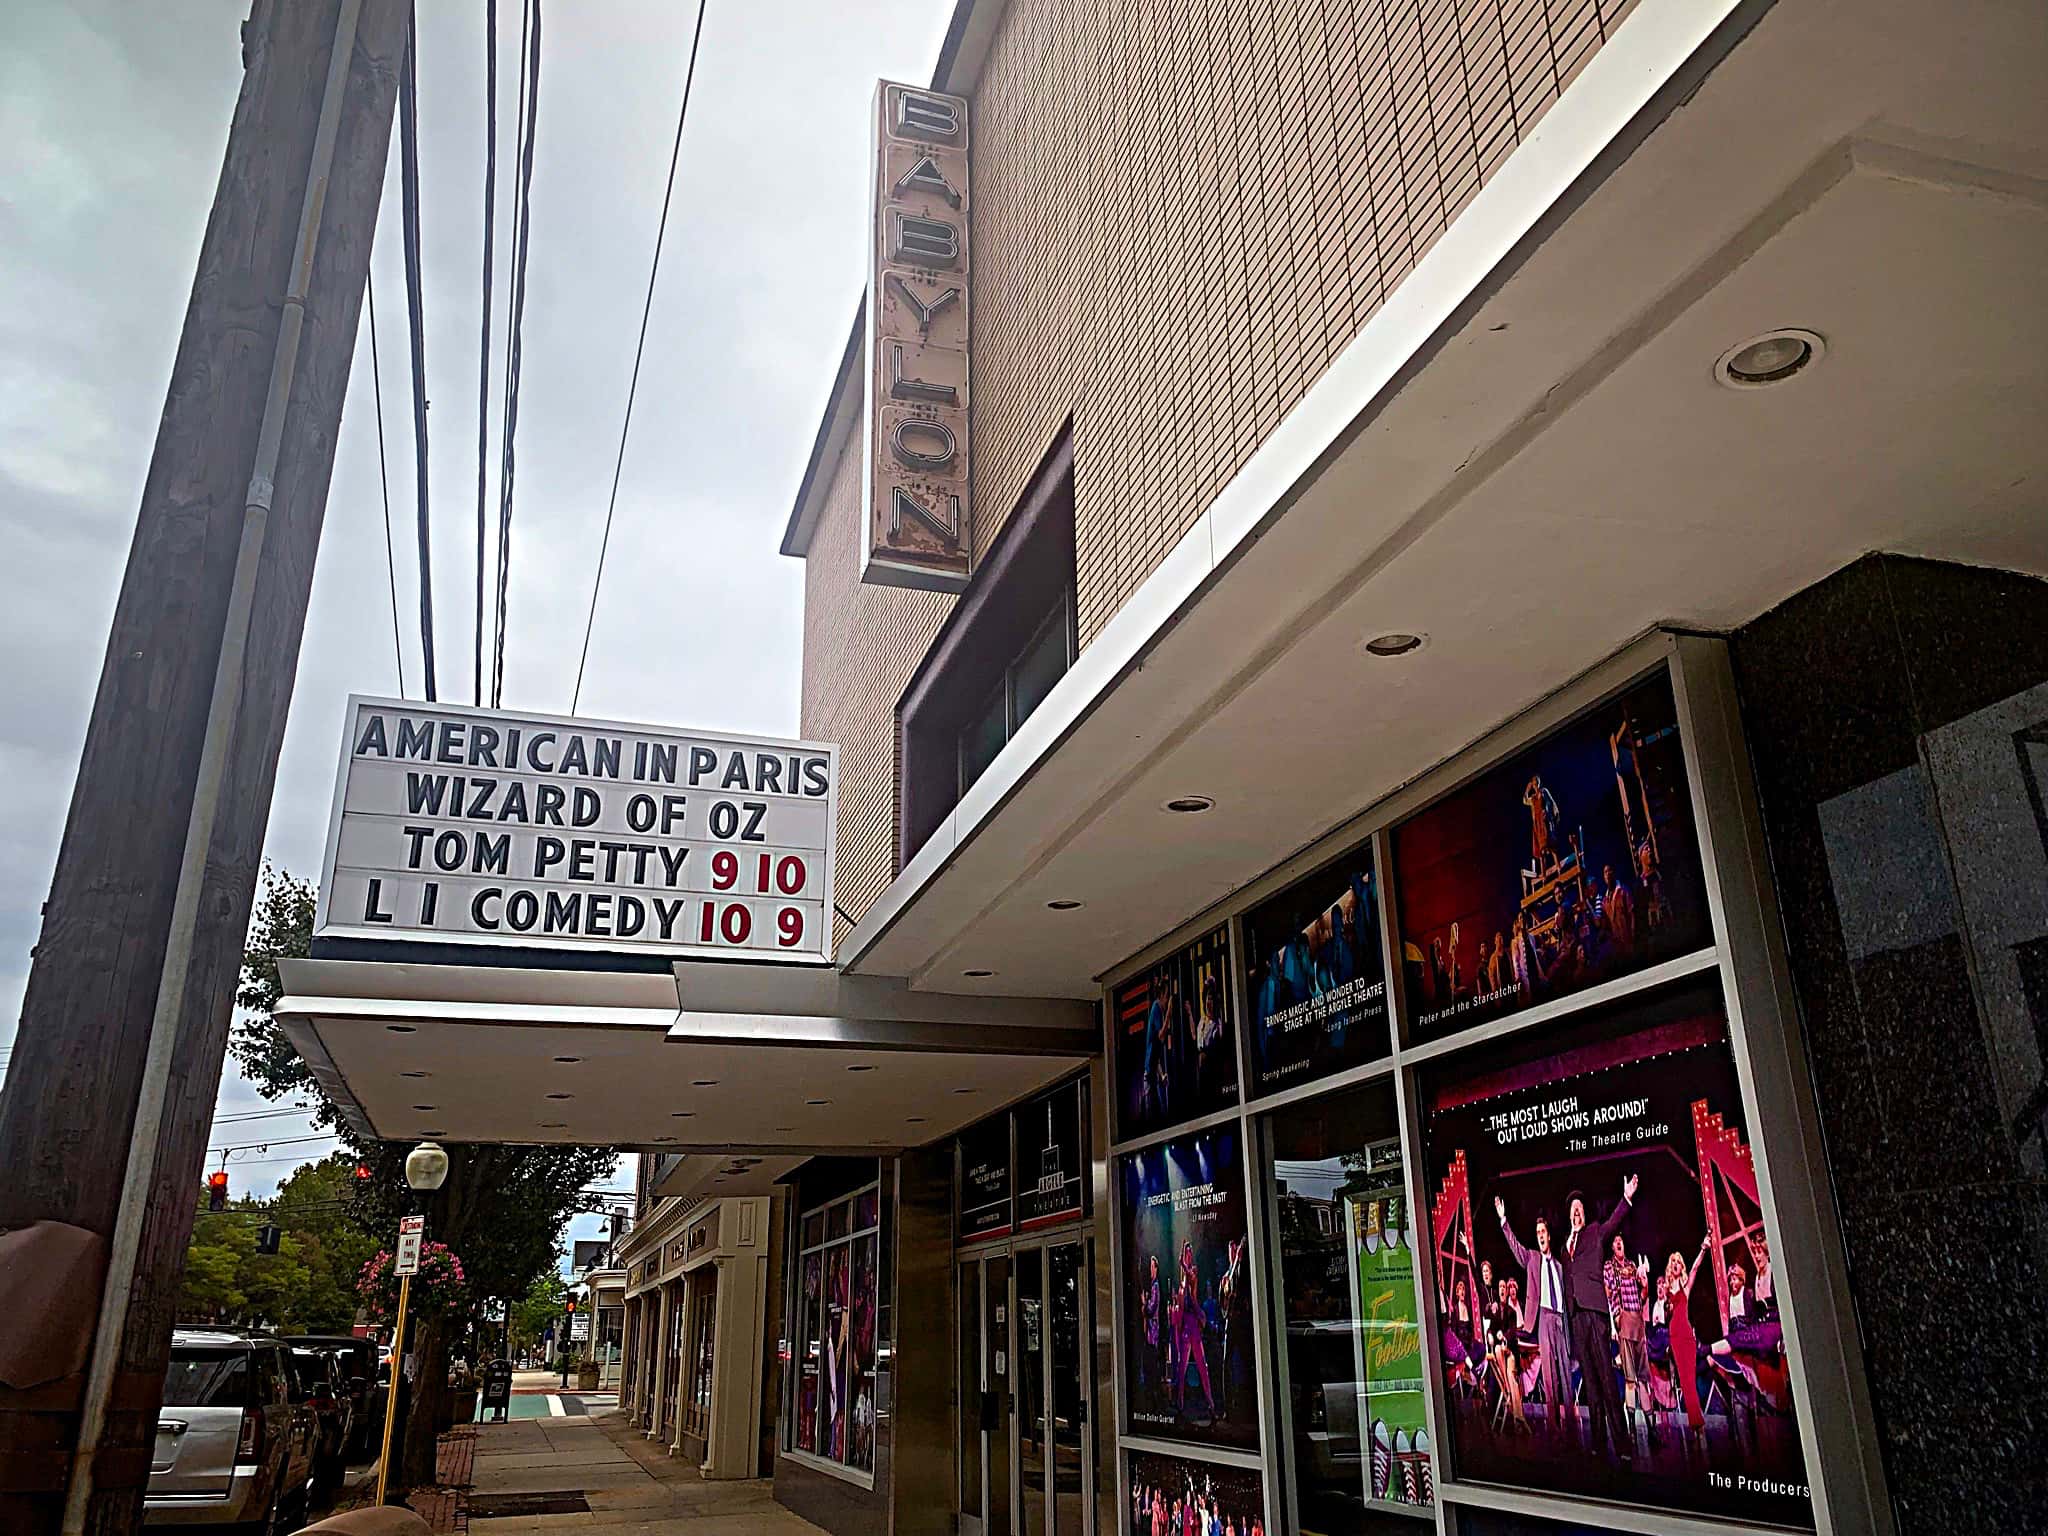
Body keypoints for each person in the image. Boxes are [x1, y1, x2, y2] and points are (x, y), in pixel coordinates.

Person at [1559, 1176, 1640, 1463]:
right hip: (1576, 1316)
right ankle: (1597, 1443)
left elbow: (1612, 1224)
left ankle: (1622, 1444)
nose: (1576, 1212)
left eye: (1580, 1208)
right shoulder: (1563, 1247)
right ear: (1569, 1216)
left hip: (1595, 1313)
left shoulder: (1594, 1233)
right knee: (1591, 1383)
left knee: (1606, 1378)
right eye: (1573, 1210)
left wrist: (1626, 1198)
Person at [1496, 1196, 1571, 1426]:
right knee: (1550, 1377)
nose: (1539, 1235)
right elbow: (1516, 1247)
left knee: (1566, 1375)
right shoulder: (1532, 1258)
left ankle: (1570, 1428)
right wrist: (1503, 1220)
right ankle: (1555, 1425)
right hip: (1545, 1320)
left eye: (1542, 1232)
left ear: (1549, 1235)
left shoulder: (1559, 1266)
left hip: (1561, 1320)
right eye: (1537, 1232)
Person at [1603, 1233, 1656, 1447]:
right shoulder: (1609, 1267)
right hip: (1624, 1319)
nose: (1618, 1243)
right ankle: (1632, 1431)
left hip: (1638, 1321)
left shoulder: (1634, 1266)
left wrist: (1645, 1284)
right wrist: (1614, 1318)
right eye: (1615, 1241)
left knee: (1644, 1379)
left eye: (1621, 1240)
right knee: (1630, 1379)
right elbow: (1606, 1294)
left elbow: (1642, 1295)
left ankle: (1652, 1431)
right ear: (1612, 1247)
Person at [1659, 1237, 1711, 1430]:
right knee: (1683, 1377)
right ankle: (1695, 1422)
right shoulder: (1666, 1290)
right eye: (1672, 1261)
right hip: (1674, 1336)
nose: (1675, 1264)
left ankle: (1697, 1421)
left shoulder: (1685, 1288)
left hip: (1687, 1335)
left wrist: (1703, 1248)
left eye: (1678, 1262)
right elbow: (1663, 1316)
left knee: (1690, 1378)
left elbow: (1696, 1267)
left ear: (1681, 1267)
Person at [1172, 1241, 1217, 1420]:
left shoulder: (1193, 1274)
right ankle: (1180, 1401)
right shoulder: (1181, 1283)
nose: (1188, 1256)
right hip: (1185, 1327)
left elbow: (1183, 1267)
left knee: (1202, 1365)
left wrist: (1183, 1249)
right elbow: (1180, 1266)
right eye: (1187, 1253)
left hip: (1193, 1325)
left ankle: (1210, 1401)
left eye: (1190, 1253)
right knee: (1182, 1367)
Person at [1602, 863, 1637, 956]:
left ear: (1614, 873)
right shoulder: (1605, 901)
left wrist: (1633, 935)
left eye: (1609, 870)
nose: (1608, 874)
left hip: (1628, 939)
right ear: (1603, 878)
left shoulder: (1623, 891)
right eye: (1605, 872)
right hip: (1617, 946)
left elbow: (1632, 913)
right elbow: (1606, 925)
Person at [1140, 1255, 1163, 1396]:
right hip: (1150, 1333)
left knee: (1152, 1363)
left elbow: (1151, 1309)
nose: (1150, 1269)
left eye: (1151, 1266)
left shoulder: (1155, 1286)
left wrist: (1144, 1303)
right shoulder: (1152, 1285)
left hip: (1153, 1333)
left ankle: (1155, 1392)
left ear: (1156, 1269)